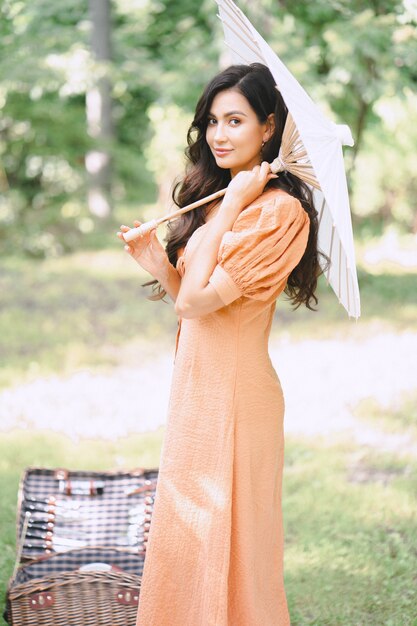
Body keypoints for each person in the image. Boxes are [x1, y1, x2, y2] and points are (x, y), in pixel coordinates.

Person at [117, 62, 328, 626]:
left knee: (237, 546)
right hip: (196, 387)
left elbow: (197, 304)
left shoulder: (278, 213)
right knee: (189, 537)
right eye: (213, 120)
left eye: (235, 120)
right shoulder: (217, 199)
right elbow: (188, 294)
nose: (218, 134)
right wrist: (158, 262)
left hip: (237, 397)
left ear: (268, 128)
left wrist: (234, 206)